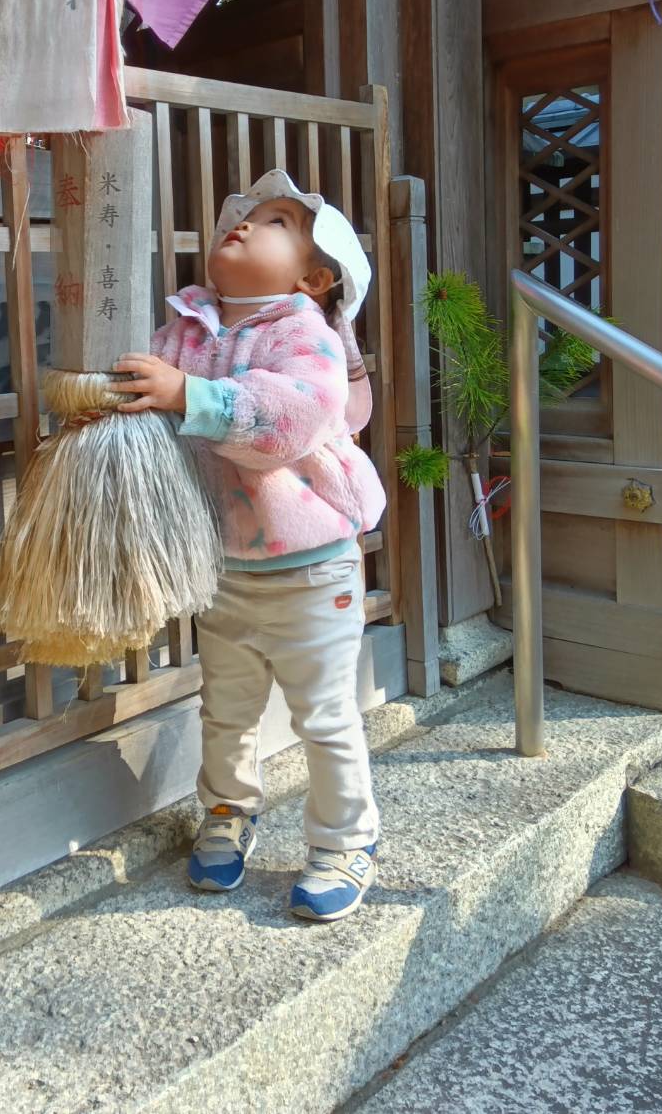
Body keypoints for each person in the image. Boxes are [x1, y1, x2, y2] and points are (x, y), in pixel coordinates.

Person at [110, 170, 386, 923]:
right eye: (245, 215)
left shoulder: (304, 331)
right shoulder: (185, 330)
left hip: (312, 567)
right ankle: (228, 810)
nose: (245, 223)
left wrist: (186, 395)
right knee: (226, 708)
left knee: (323, 716)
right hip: (225, 565)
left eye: (276, 222)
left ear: (314, 277)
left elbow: (292, 418)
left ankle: (345, 842)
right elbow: (144, 400)